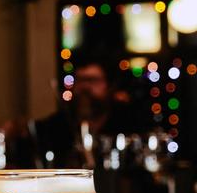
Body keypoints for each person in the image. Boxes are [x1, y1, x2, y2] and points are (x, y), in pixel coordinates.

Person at [8, 56, 144, 168]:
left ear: (108, 86)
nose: (85, 87)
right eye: (80, 80)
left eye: (93, 81)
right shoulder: (59, 124)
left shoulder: (127, 123)